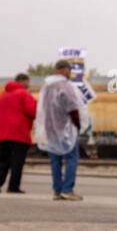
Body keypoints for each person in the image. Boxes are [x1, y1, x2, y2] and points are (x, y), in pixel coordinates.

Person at [36, 59, 85, 201]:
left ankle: (57, 191)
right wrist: (78, 124)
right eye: (69, 70)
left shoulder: (46, 86)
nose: (70, 73)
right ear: (64, 70)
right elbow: (72, 107)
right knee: (72, 158)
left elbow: (42, 108)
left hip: (50, 128)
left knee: (55, 160)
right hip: (65, 128)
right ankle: (67, 190)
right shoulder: (66, 86)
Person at [0, 73, 37, 194]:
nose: (29, 85)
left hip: (3, 135)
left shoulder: (2, 95)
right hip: (19, 134)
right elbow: (32, 111)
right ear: (23, 82)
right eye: (28, 82)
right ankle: (13, 187)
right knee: (17, 162)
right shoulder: (23, 94)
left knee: (3, 161)